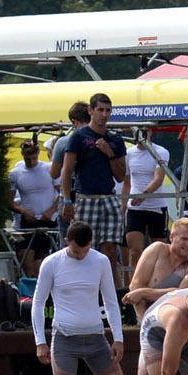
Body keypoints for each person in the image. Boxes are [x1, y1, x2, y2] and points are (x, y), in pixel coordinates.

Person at [28, 219, 131, 375]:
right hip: (64, 340)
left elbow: (111, 301)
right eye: (76, 251)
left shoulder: (100, 261)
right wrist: (40, 342)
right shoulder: (51, 263)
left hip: (96, 339)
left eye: (85, 251)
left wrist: (118, 338)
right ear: (67, 241)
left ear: (91, 243)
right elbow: (38, 303)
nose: (81, 255)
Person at [53, 92, 130, 276]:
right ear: (91, 111)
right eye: (100, 110)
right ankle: (84, 284)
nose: (104, 114)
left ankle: (109, 291)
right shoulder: (78, 137)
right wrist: (67, 201)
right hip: (85, 197)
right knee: (84, 247)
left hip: (109, 197)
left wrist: (109, 152)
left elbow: (120, 176)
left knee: (110, 249)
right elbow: (66, 170)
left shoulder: (116, 140)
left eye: (108, 111)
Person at [8, 134, 61, 276]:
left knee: (44, 263)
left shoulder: (48, 168)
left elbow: (62, 193)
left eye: (34, 159)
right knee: (27, 262)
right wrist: (23, 211)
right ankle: (30, 293)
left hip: (47, 220)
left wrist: (51, 211)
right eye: (27, 159)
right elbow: (9, 201)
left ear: (38, 154)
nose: (31, 162)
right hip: (28, 220)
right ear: (22, 156)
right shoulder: (15, 173)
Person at [122, 127, 176, 263]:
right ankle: (134, 284)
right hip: (135, 209)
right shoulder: (129, 153)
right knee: (134, 251)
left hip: (156, 207)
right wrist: (123, 207)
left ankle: (157, 283)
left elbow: (158, 179)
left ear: (151, 132)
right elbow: (127, 182)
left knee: (159, 252)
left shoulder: (161, 152)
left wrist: (144, 195)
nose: (141, 134)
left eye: (145, 131)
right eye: (138, 131)